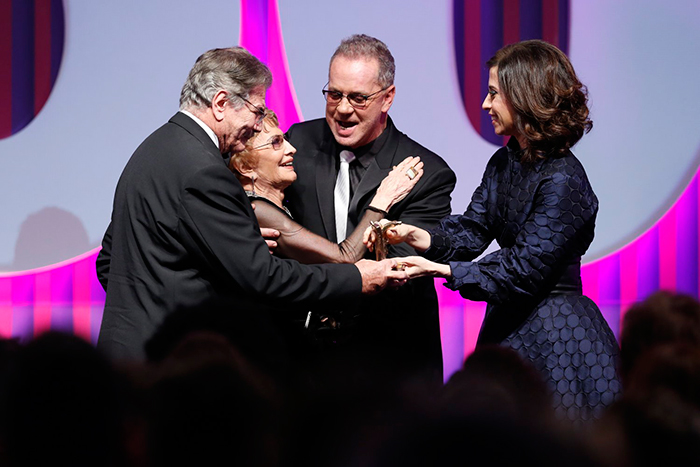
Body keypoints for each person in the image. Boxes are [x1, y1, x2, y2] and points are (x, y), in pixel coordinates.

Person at [95, 47, 406, 363]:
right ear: (220, 104)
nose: (258, 125)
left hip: (125, 357)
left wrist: (225, 251)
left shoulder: (154, 148)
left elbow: (110, 261)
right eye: (257, 112)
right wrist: (357, 278)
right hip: (169, 363)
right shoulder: (204, 172)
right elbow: (264, 278)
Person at [368, 40, 621, 422]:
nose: (485, 105)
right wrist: (413, 236)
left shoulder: (564, 178)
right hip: (509, 327)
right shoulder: (505, 159)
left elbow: (523, 269)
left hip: (558, 335)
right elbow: (473, 229)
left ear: (524, 98)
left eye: (493, 94)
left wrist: (441, 271)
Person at [285, 34, 456, 384]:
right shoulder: (296, 145)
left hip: (388, 366)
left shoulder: (425, 173)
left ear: (387, 98)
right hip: (305, 364)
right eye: (334, 94)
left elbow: (395, 273)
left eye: (358, 98)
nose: (343, 109)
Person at [229, 108, 423, 264]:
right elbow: (344, 257)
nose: (292, 149)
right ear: (244, 166)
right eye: (276, 143)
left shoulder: (271, 207)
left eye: (285, 140)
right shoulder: (257, 210)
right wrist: (382, 200)